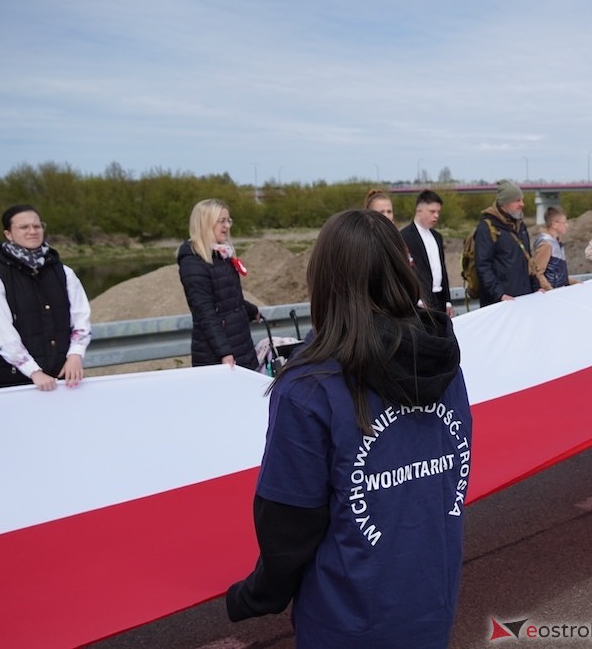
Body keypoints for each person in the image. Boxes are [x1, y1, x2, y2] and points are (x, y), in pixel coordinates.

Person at [226, 209, 471, 648]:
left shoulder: (309, 387)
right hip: (433, 602)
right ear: (401, 271)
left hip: (348, 620)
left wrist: (254, 596)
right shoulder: (443, 361)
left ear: (323, 281)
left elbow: (288, 525)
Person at [0, 204, 91, 390]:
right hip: (18, 381)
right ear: (8, 234)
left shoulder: (63, 272)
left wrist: (75, 355)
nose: (32, 231)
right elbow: (3, 334)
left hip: (66, 376)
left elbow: (81, 318)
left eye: (37, 226)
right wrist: (33, 371)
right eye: (24, 227)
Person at [177, 199, 260, 370]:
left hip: (240, 345)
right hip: (216, 355)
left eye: (228, 220)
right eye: (221, 221)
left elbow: (228, 298)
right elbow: (205, 312)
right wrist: (225, 353)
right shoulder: (193, 263)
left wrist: (252, 310)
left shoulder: (221, 256)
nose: (227, 226)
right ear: (205, 223)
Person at [473, 180, 538, 305]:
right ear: (505, 203)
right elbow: (483, 266)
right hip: (500, 303)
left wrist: (536, 287)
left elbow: (528, 260)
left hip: (524, 298)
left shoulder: (520, 226)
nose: (522, 204)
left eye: (522, 200)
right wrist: (500, 295)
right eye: (517, 200)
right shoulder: (487, 227)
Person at [400, 189, 453, 316]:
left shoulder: (437, 236)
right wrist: (416, 298)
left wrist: (448, 301)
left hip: (440, 299)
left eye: (438, 212)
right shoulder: (404, 236)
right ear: (419, 210)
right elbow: (404, 271)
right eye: (432, 211)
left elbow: (442, 269)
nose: (436, 216)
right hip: (419, 301)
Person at [532, 206, 574, 290]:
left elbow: (559, 273)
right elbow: (538, 272)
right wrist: (549, 290)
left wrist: (573, 282)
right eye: (564, 222)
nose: (567, 225)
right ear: (554, 224)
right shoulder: (546, 244)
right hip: (552, 293)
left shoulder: (556, 242)